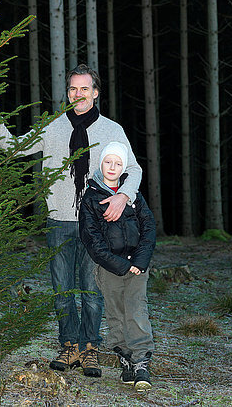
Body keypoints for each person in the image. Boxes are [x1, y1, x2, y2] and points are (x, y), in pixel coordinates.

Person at [0, 64, 142, 377]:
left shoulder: (112, 131)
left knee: (91, 290)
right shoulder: (53, 127)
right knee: (62, 290)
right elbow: (15, 148)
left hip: (97, 225)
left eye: (84, 89)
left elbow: (134, 170)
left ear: (95, 93)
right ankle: (68, 346)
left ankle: (90, 349)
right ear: (67, 92)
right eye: (73, 89)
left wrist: (123, 196)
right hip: (59, 221)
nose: (78, 94)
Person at [78, 141, 156, 391]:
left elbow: (149, 228)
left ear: (125, 167)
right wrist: (121, 265)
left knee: (136, 310)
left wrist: (140, 262)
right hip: (110, 268)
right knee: (115, 312)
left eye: (118, 163)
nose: (112, 167)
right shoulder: (90, 198)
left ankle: (141, 362)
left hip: (137, 266)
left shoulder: (133, 195)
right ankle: (125, 359)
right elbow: (92, 240)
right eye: (108, 162)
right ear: (100, 164)